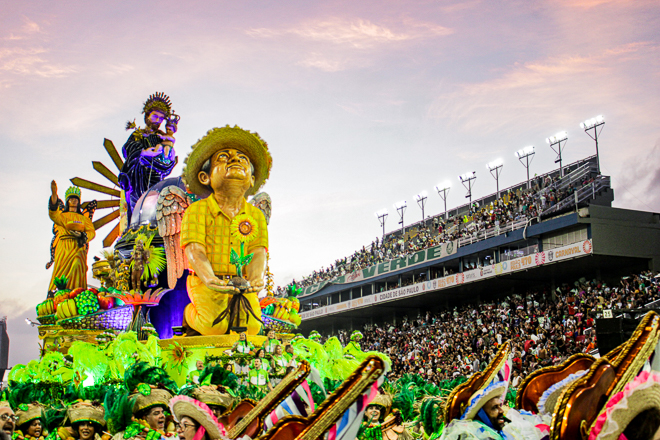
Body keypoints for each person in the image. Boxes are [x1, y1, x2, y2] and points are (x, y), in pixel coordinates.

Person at [180, 126, 272, 336]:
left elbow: (258, 251)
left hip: (242, 281)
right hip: (207, 281)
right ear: (205, 177)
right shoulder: (197, 210)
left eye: (243, 159)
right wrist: (210, 278)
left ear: (251, 180)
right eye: (223, 157)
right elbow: (195, 250)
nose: (236, 160)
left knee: (252, 328)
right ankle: (189, 314)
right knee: (214, 327)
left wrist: (256, 277)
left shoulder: (256, 215)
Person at [47, 182, 96, 291]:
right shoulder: (62, 216)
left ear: (78, 202)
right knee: (61, 271)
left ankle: (77, 292)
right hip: (64, 246)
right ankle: (57, 293)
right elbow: (53, 214)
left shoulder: (84, 219)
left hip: (78, 245)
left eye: (76, 199)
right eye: (71, 199)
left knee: (77, 265)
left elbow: (91, 232)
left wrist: (83, 236)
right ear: (67, 201)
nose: (73, 201)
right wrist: (54, 194)